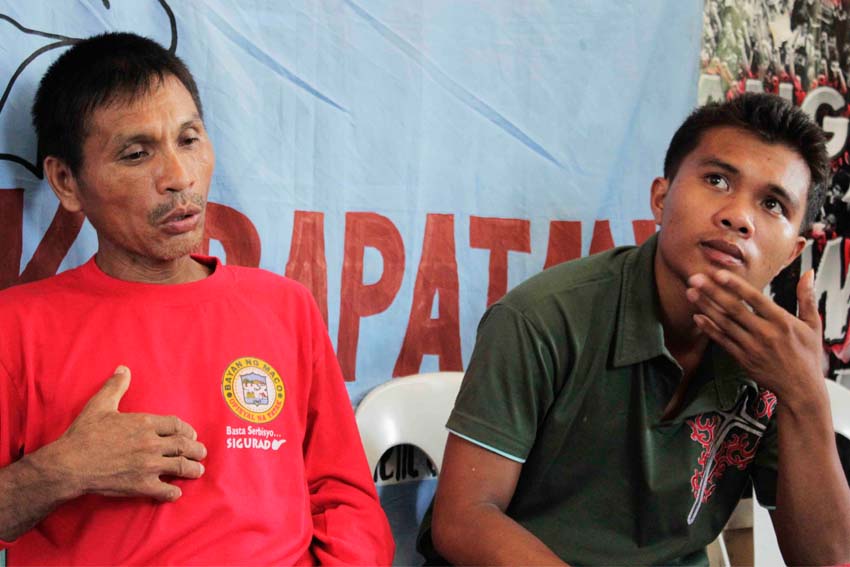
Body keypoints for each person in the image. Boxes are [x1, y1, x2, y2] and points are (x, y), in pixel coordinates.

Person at [0, 32, 393, 565]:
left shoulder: (285, 307)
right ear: (66, 180)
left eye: (188, 139)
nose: (180, 178)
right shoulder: (16, 327)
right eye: (137, 154)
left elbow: (344, 499)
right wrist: (65, 471)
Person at [419, 93, 850, 565]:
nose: (738, 217)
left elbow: (827, 560)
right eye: (717, 179)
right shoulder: (541, 318)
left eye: (772, 204)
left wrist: (805, 395)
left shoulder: (775, 361)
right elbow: (464, 518)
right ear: (661, 197)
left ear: (792, 253)